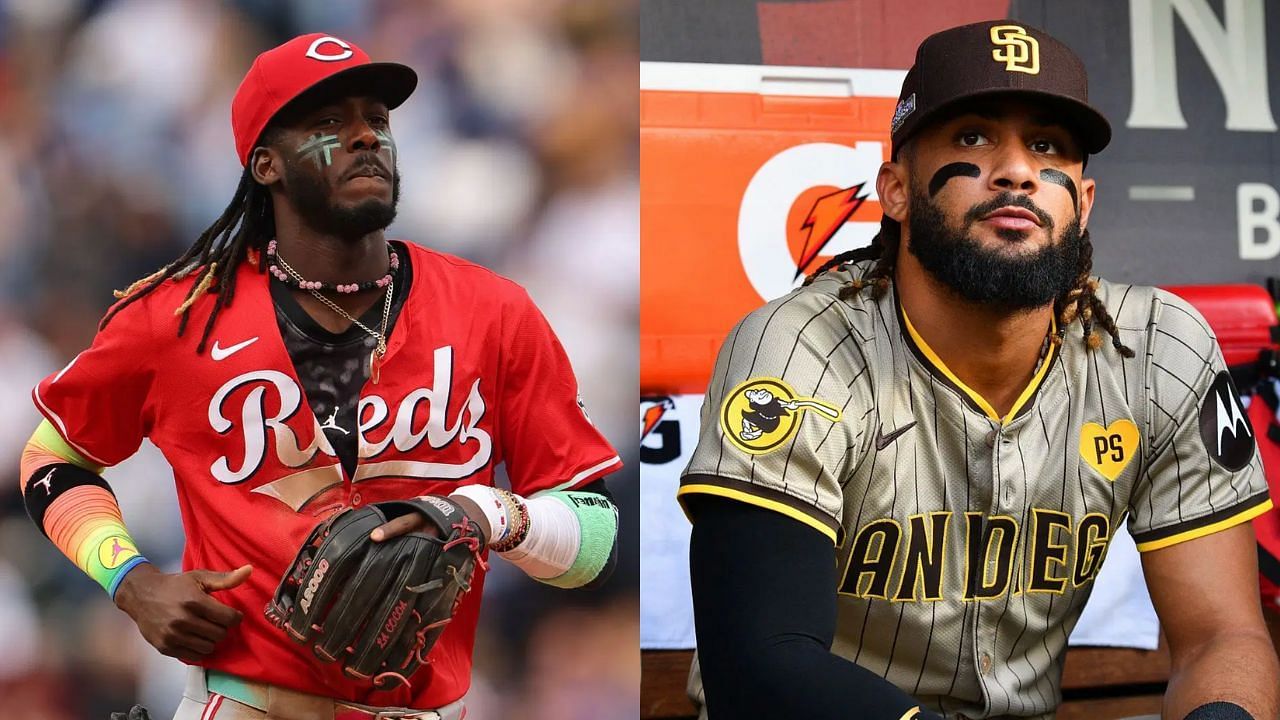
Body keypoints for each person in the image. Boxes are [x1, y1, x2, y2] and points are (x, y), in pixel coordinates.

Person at [679, 20, 1279, 720]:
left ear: (1082, 204)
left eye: (1048, 145)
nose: (1017, 169)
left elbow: (1221, 638)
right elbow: (761, 665)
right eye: (972, 136)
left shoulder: (1157, 349)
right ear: (896, 190)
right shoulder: (800, 347)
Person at [19, 33, 622, 720]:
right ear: (267, 163)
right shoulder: (178, 316)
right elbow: (52, 459)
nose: (366, 137)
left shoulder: (494, 312)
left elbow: (593, 538)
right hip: (247, 705)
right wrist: (130, 581)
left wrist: (485, 513)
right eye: (329, 123)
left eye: (378, 119)